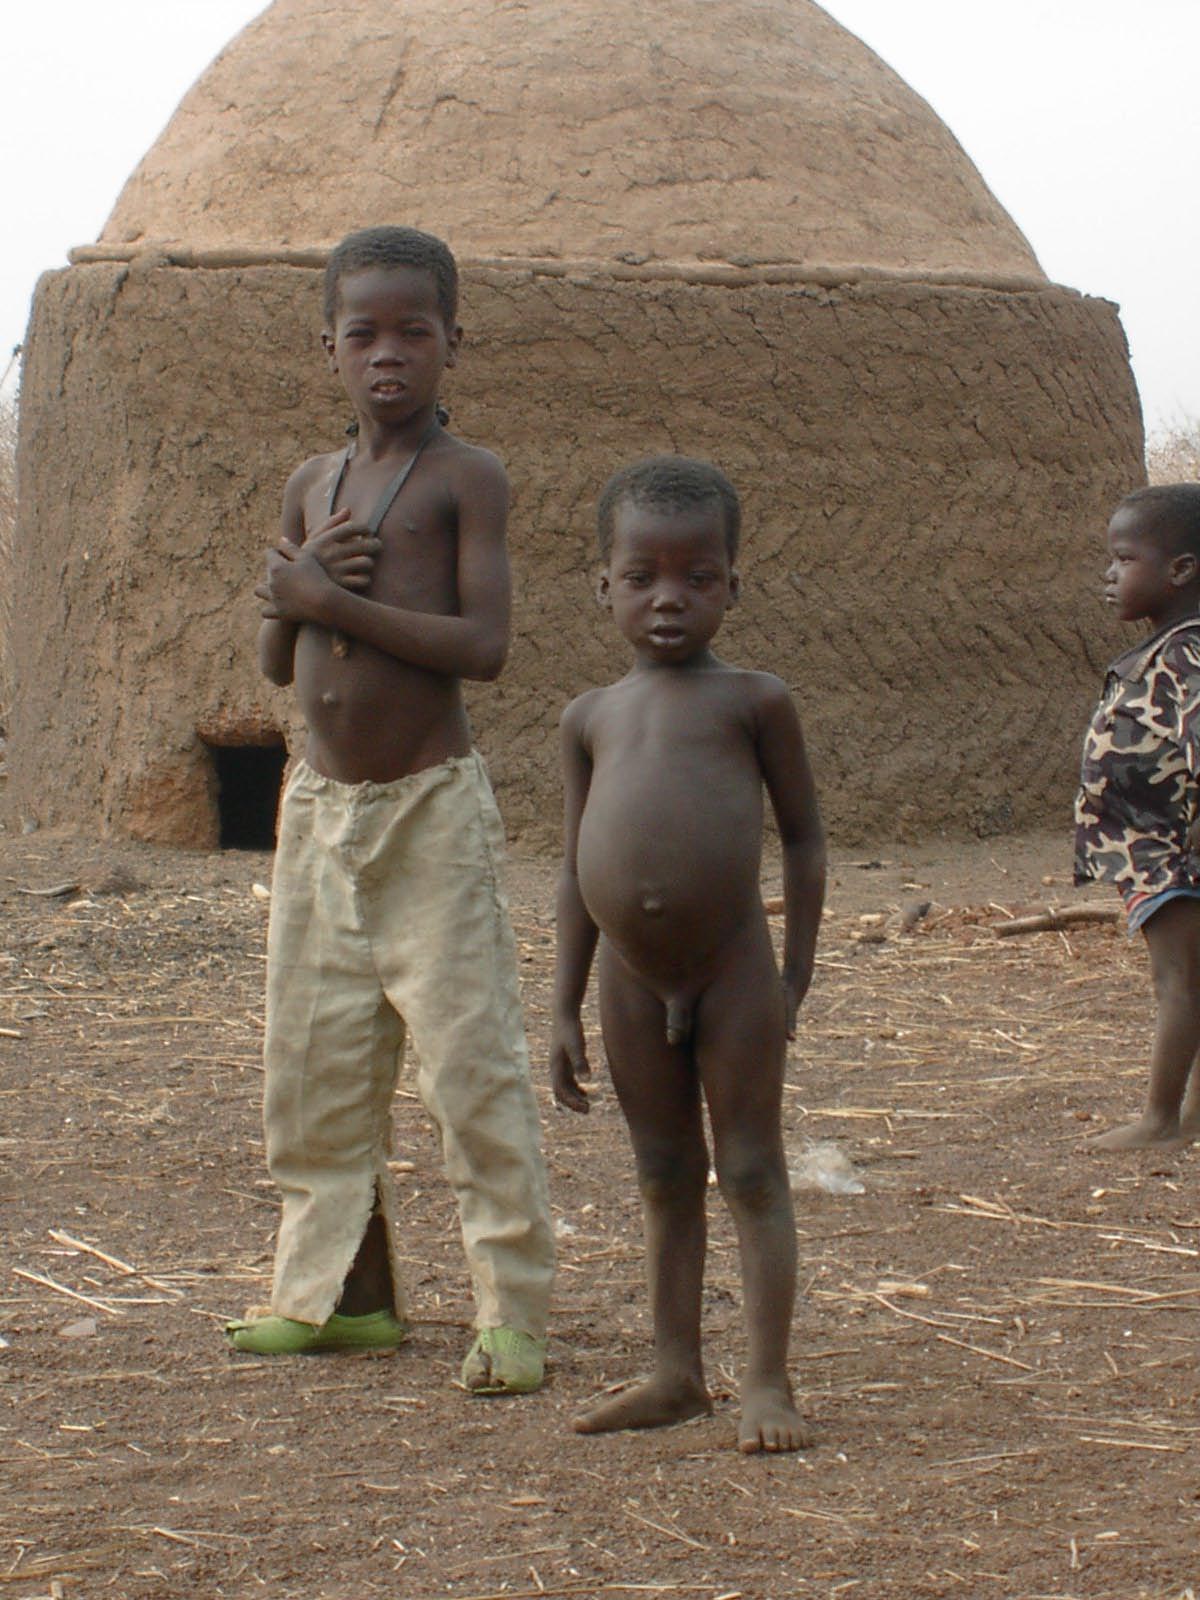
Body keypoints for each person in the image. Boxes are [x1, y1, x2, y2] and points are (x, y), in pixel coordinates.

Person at [225, 225, 555, 1395]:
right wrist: (301, 583)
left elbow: (487, 647)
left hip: (426, 810)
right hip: (318, 810)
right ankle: (336, 1302)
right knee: (313, 1064)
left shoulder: (469, 477)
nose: (388, 354)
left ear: (453, 342)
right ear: (328, 346)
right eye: (362, 332)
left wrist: (333, 600)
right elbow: (276, 655)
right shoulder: (311, 483)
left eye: (414, 331)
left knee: (467, 1065)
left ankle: (512, 1311)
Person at [550, 456, 825, 1453]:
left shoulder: (757, 701)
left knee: (751, 1167)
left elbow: (802, 837)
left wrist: (795, 969)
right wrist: (560, 1006)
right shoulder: (589, 717)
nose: (670, 598)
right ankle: (673, 1370)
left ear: (732, 586)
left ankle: (766, 1380)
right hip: (628, 975)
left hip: (734, 967)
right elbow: (576, 866)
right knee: (663, 1169)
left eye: (698, 577)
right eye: (643, 576)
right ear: (605, 586)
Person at [1075, 483, 1200, 1151]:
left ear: (1181, 570)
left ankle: (1159, 1120)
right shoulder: (1168, 651)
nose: (1109, 574)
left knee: (1178, 979)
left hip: (1170, 853)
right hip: (1159, 853)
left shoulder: (1186, 658)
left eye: (1125, 559)